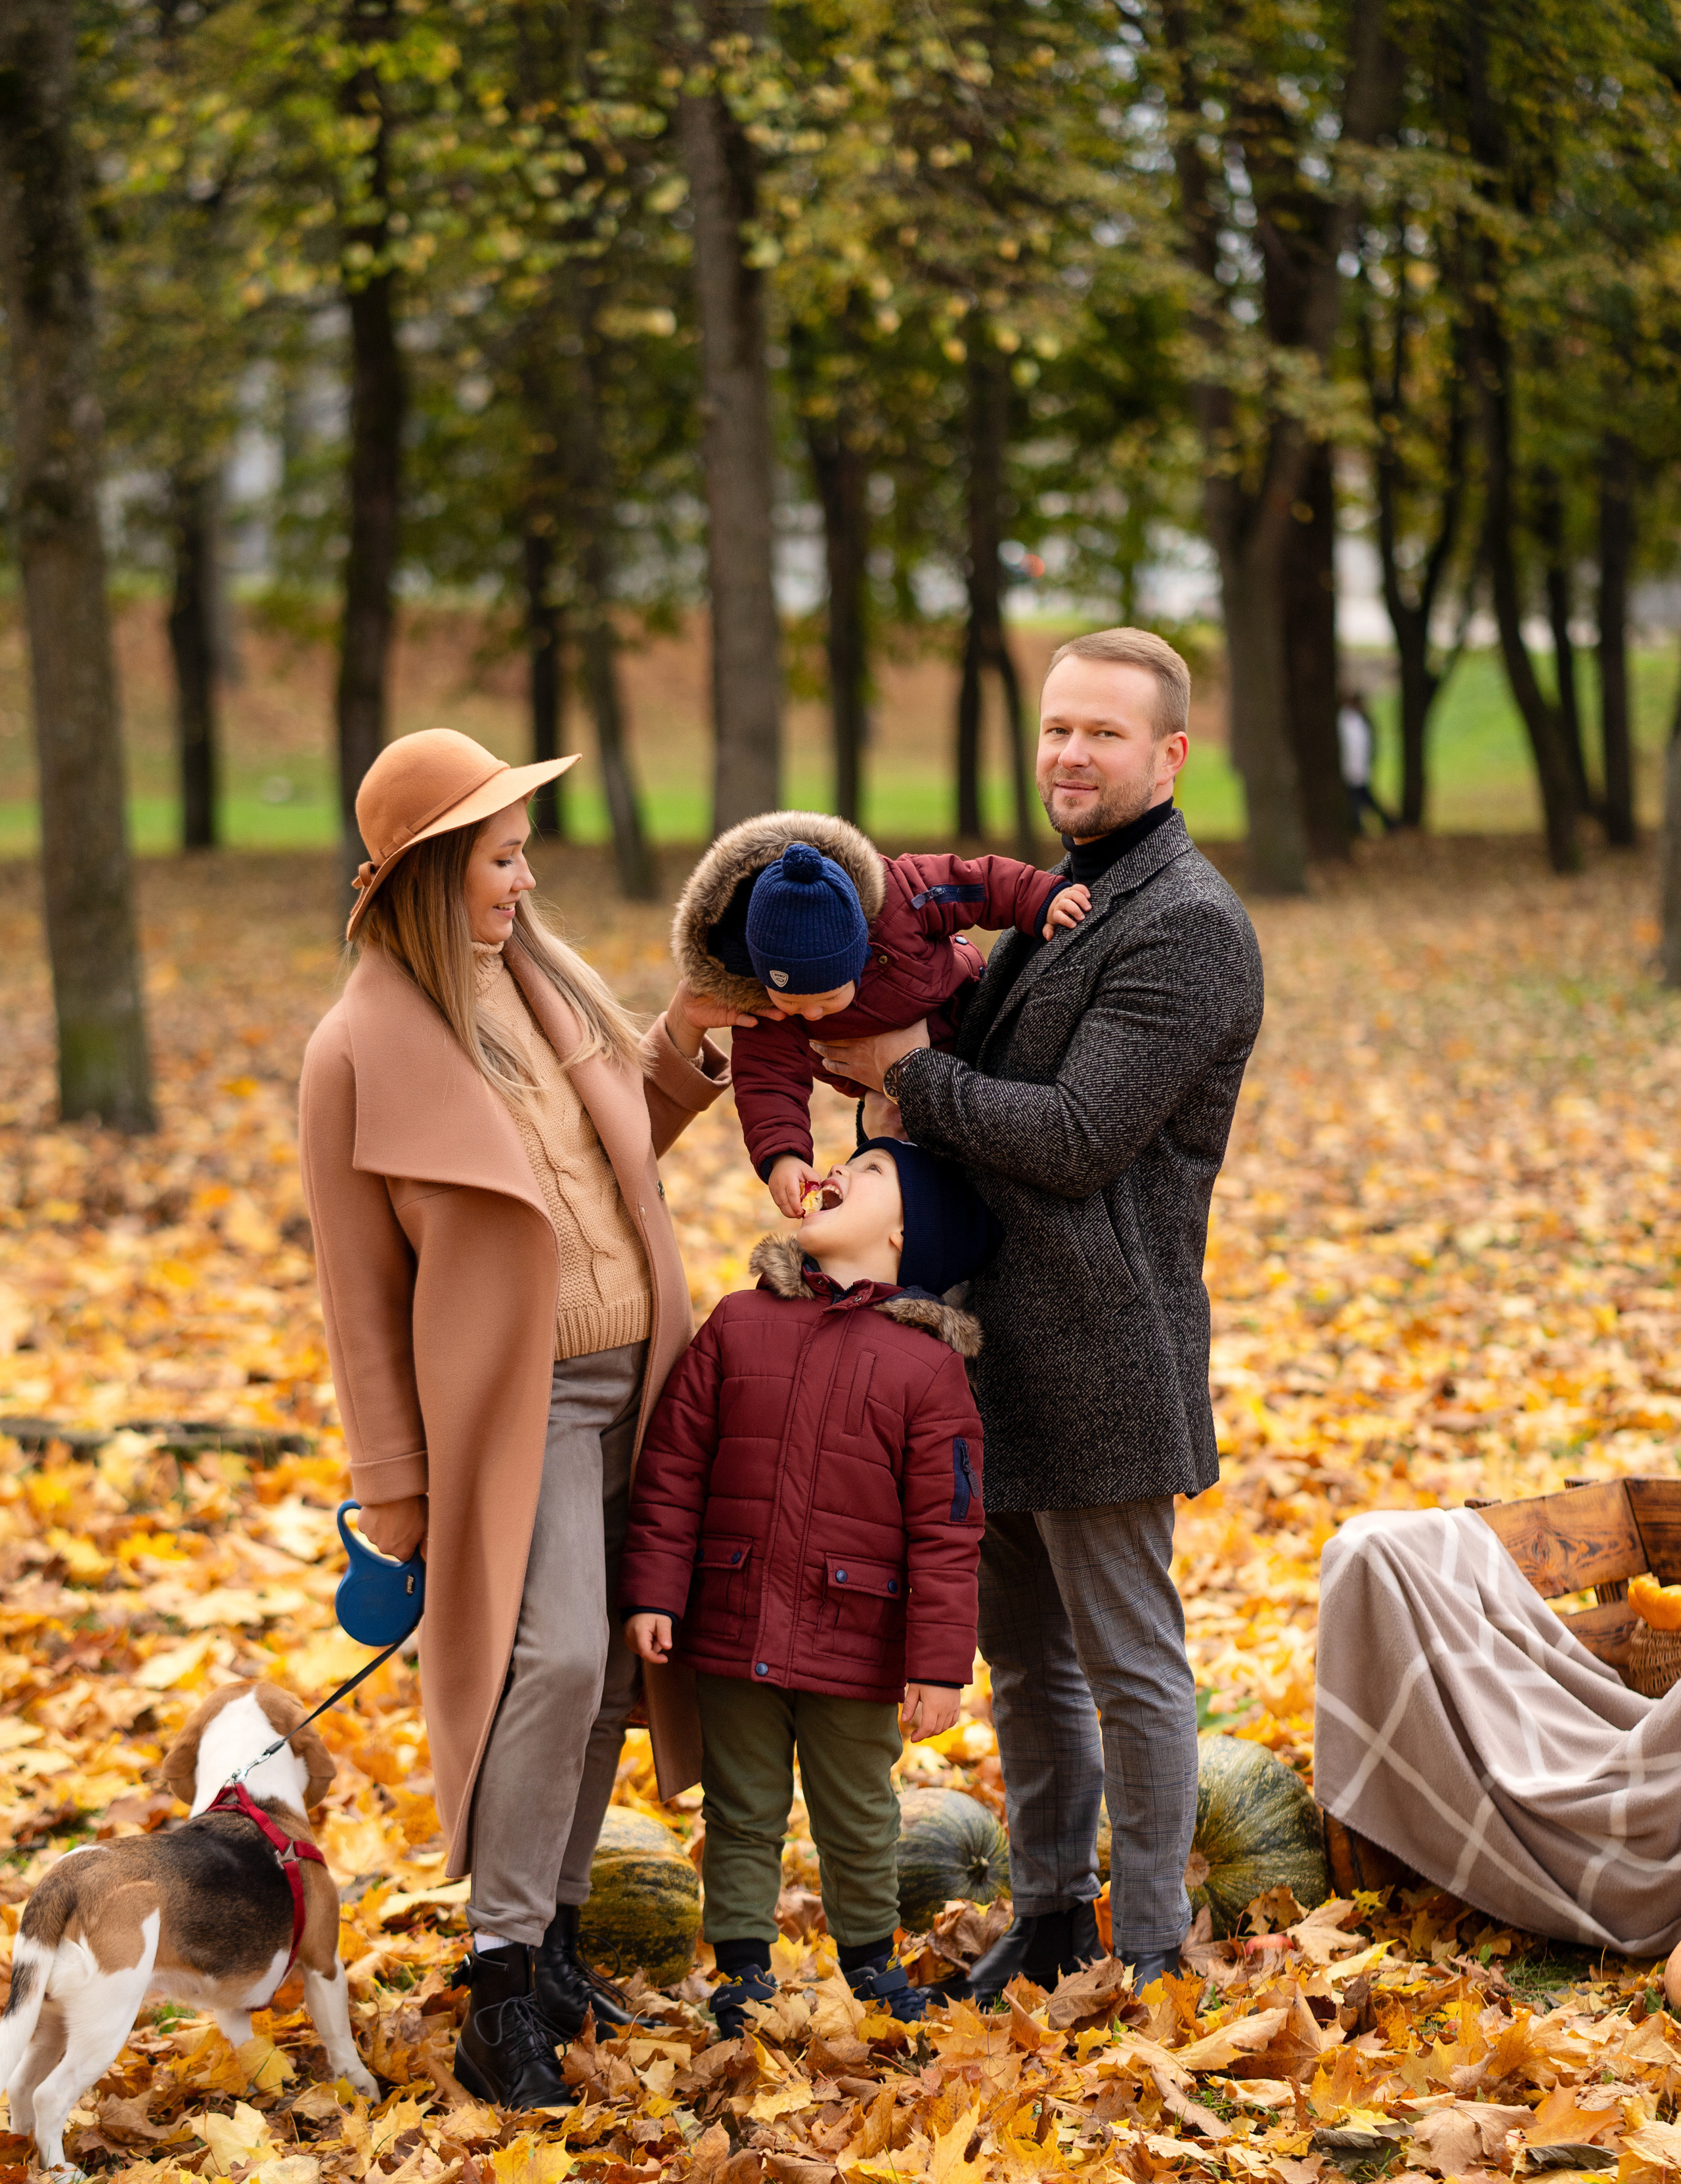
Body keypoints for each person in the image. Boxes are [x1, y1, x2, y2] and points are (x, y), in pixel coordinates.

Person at [298, 727, 747, 2108]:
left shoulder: (544, 991)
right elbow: (360, 1299)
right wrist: (393, 1485)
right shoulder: (356, 1055)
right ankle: (499, 1989)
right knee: (547, 1661)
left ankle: (548, 1943)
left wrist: (680, 1048)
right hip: (522, 1409)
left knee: (616, 1659)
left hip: (648, 1380)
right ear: (434, 870)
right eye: (499, 857)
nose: (523, 877)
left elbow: (606, 1173)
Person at [814, 629, 1264, 1999]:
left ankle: (1147, 1949)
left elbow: (1074, 1136)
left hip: (1103, 1342)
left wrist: (900, 1072)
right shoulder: (1065, 896)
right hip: (989, 1336)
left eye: (1103, 734)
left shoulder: (1185, 926)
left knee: (1127, 1661)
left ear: (1169, 756)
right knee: (1025, 1661)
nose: (1068, 754)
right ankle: (1053, 1912)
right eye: (1055, 728)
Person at [618, 1139, 994, 2036]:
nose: (836, 1173)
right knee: (742, 1807)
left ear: (908, 1232)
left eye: (868, 1173)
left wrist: (937, 1667)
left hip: (855, 1637)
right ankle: (743, 1972)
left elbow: (949, 1528)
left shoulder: (927, 1369)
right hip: (733, 1617)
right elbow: (674, 1467)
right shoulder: (739, 1324)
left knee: (859, 1811)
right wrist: (655, 1592)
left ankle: (871, 1960)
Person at [671, 814, 1090, 1215]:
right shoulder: (766, 1005)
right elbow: (766, 1077)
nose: (811, 1013)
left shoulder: (902, 898)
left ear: (859, 955)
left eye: (828, 997)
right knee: (890, 1150)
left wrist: (1042, 899)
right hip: (881, 1088)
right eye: (793, 1003)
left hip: (963, 1015)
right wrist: (783, 1155)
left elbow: (976, 883)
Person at [1337, 690, 1393, 833]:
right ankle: (1386, 824)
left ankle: (1380, 825)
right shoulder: (1351, 721)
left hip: (1356, 770)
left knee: (1360, 800)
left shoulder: (1354, 721)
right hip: (1355, 769)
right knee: (1362, 800)